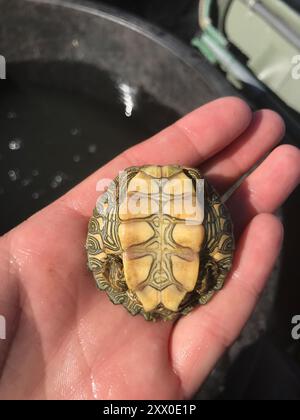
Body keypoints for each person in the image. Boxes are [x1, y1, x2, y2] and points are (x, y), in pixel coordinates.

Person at [0, 98, 299, 400]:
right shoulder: (139, 262)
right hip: (180, 192)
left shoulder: (120, 267)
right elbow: (216, 247)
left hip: (151, 193)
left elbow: (104, 250)